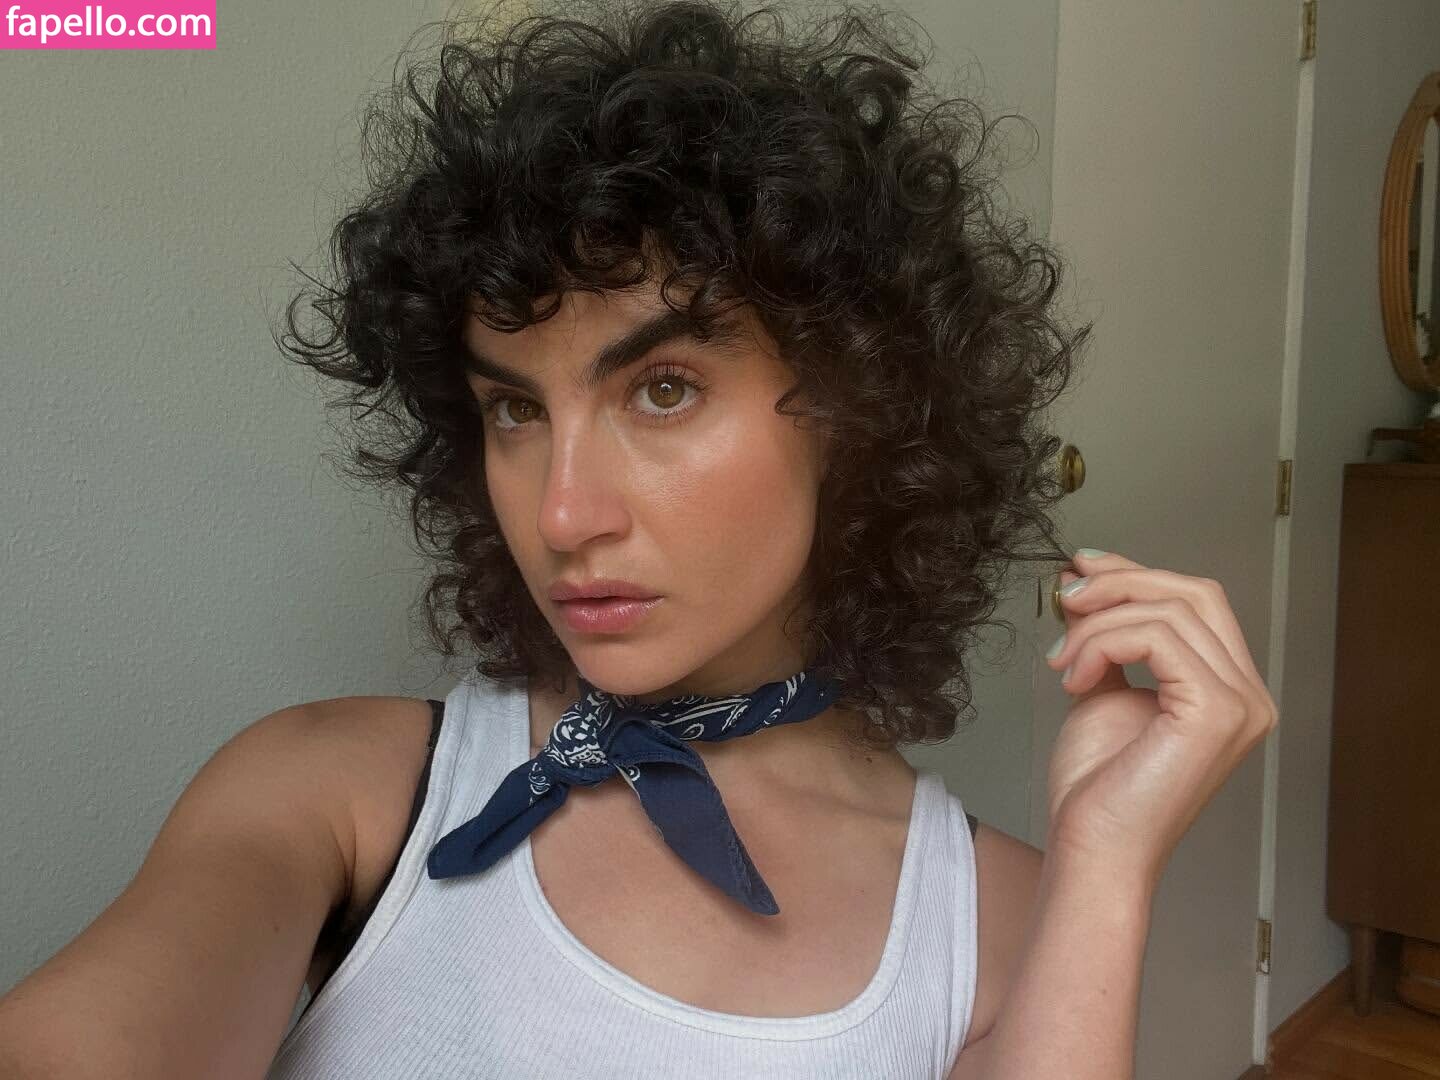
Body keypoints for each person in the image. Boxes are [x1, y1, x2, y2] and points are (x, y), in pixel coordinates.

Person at [0, 1, 1277, 1077]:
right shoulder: (333, 791)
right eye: (514, 410)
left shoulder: (995, 923)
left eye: (662, 390)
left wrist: (1109, 858)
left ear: (863, 415)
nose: (562, 515)